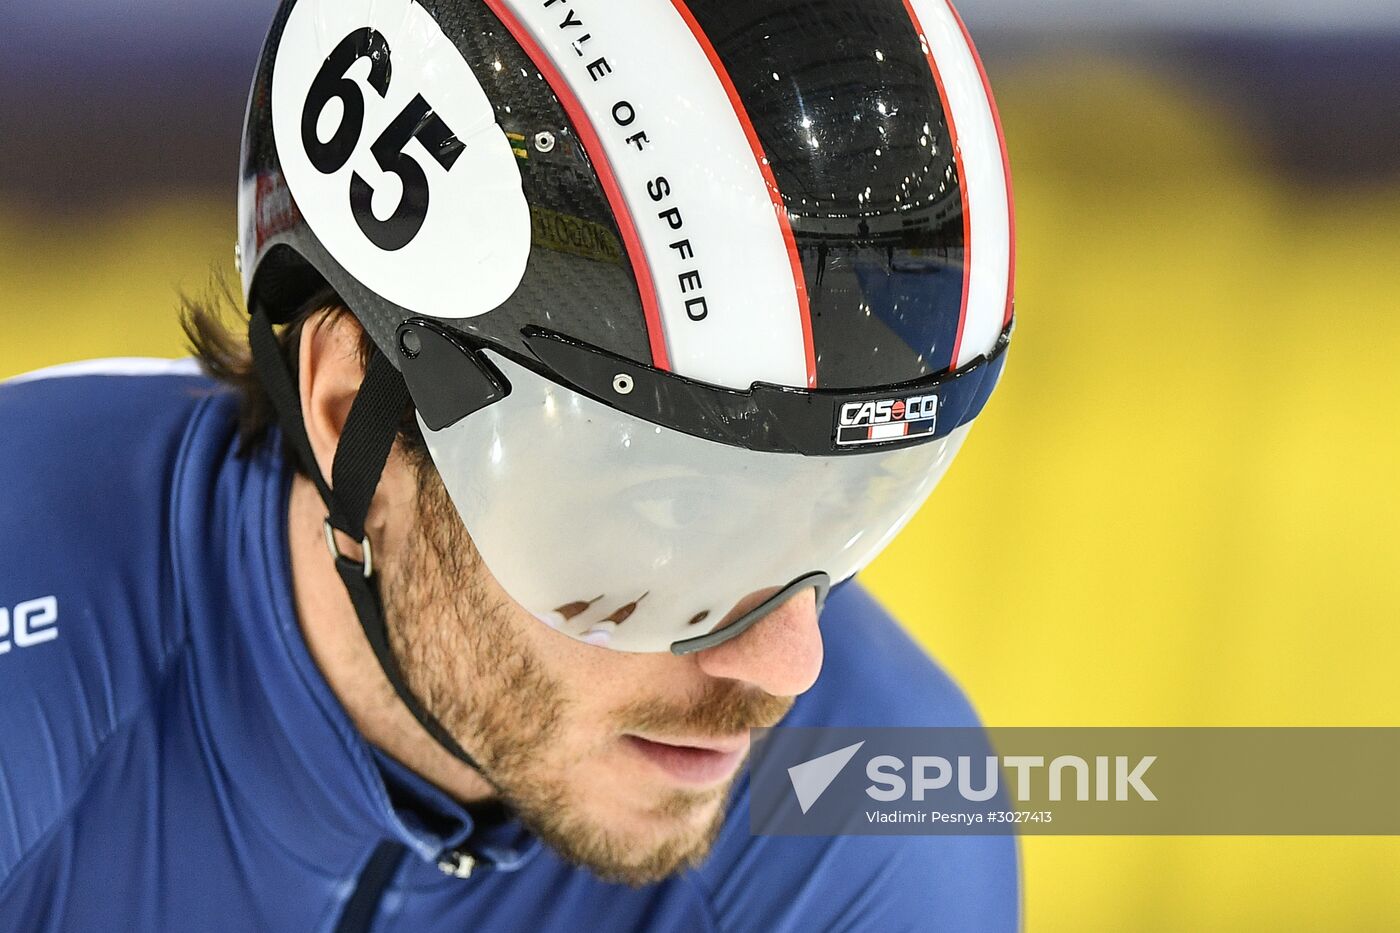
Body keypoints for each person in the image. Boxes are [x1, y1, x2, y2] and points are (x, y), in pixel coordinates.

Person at [0, 0, 1018, 929]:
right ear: (348, 409)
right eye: (671, 510)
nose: (787, 665)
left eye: (833, 506)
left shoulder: (872, 823)